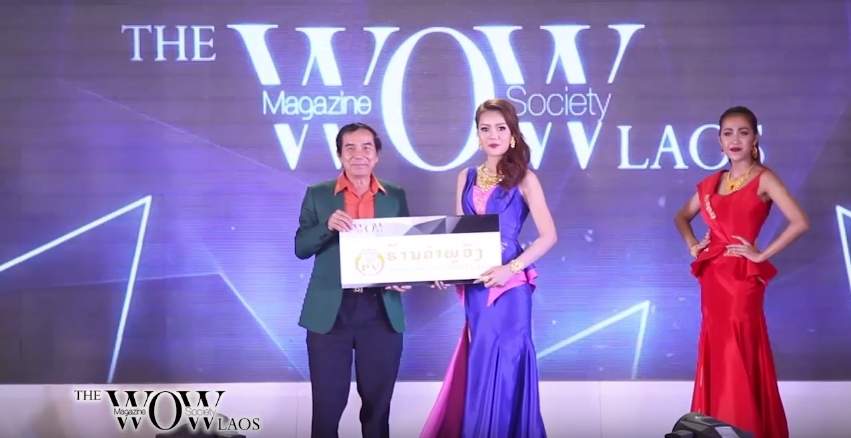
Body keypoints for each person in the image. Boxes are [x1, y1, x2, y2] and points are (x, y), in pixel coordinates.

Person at [421, 98, 557, 438]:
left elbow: (549, 236)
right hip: (476, 287)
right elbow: (459, 235)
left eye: (500, 128)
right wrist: (444, 267)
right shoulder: (465, 177)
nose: (493, 135)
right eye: (485, 129)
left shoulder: (525, 179)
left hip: (511, 289)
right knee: (481, 359)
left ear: (512, 134)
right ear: (478, 135)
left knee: (509, 361)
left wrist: (511, 269)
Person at [673, 106, 809, 438]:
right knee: (718, 351)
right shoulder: (713, 182)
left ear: (755, 139)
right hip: (712, 278)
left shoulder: (764, 178)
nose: (735, 139)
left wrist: (761, 254)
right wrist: (694, 246)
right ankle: (716, 428)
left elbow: (800, 221)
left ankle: (745, 428)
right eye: (728, 133)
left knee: (740, 351)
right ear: (719, 141)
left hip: (742, 280)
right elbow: (681, 217)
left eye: (743, 132)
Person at [294, 122, 412, 438]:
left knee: (377, 409)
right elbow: (301, 248)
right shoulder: (318, 194)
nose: (359, 154)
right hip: (331, 312)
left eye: (366, 148)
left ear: (376, 155)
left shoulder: (395, 196)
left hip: (380, 311)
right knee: (327, 408)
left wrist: (403, 276)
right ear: (339, 155)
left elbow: (405, 248)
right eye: (350, 148)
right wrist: (327, 226)